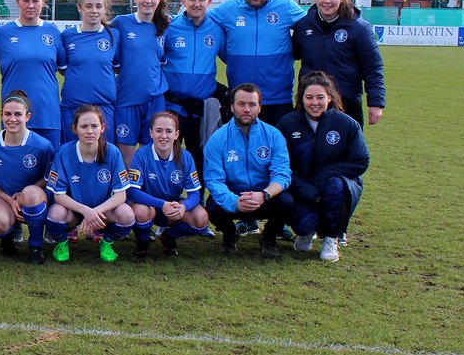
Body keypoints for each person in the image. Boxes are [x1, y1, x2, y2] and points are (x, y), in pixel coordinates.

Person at [276, 72, 369, 262]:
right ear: (301, 99)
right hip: (300, 188)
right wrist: (306, 189)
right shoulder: (287, 124)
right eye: (309, 97)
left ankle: (330, 238)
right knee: (304, 222)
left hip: (334, 186)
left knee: (336, 186)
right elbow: (279, 165)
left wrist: (321, 178)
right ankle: (306, 233)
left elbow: (360, 161)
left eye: (320, 97)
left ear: (330, 97)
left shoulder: (347, 124)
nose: (314, 103)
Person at [202, 84, 294, 258]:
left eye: (252, 104)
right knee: (212, 206)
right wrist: (235, 201)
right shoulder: (218, 139)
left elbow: (282, 174)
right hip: (235, 196)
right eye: (241, 104)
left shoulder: (274, 135)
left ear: (259, 108)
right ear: (231, 106)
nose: (246, 109)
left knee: (287, 202)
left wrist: (264, 194)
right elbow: (214, 180)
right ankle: (230, 234)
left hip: (264, 196)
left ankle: (268, 237)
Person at [209, 0, 306, 124]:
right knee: (240, 148)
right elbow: (202, 24)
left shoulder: (285, 7)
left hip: (278, 99)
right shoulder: (228, 9)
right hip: (241, 99)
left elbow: (312, 25)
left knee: (277, 147)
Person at [292, 0, 386, 127]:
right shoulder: (303, 26)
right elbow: (294, 54)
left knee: (347, 150)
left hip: (346, 104)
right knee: (307, 149)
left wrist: (376, 103)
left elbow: (373, 67)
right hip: (311, 103)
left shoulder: (359, 28)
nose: (327, 1)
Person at [45, 105, 135, 263]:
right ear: (74, 128)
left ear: (102, 128)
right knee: (54, 215)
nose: (89, 131)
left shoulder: (112, 152)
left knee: (127, 215)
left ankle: (106, 242)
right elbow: (58, 195)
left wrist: (94, 212)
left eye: (94, 126)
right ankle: (62, 242)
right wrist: (86, 212)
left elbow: (121, 194)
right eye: (84, 126)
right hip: (72, 211)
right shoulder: (64, 152)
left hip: (102, 213)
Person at [0, 91, 55, 264]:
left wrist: (21, 196)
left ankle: (35, 247)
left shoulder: (43, 146)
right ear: (1, 115)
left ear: (27, 116)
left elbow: (48, 178)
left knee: (30, 194)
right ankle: (7, 238)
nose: (12, 119)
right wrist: (10, 199)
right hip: (2, 196)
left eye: (18, 114)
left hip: (32, 197)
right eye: (7, 114)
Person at [126, 111, 213, 258]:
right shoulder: (141, 154)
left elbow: (195, 194)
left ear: (177, 134)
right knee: (141, 211)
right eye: (159, 131)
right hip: (148, 206)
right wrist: (162, 204)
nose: (164, 136)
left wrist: (183, 207)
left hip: (172, 207)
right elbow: (133, 192)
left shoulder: (185, 157)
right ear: (151, 133)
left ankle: (169, 237)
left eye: (169, 131)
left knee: (201, 218)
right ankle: (142, 242)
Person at [0, 0, 65, 146]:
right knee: (15, 165)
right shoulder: (2, 33)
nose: (31, 5)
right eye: (26, 0)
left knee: (49, 167)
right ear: (18, 2)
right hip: (14, 115)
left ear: (43, 2)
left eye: (35, 0)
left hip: (48, 114)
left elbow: (65, 69)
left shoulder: (53, 32)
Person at [162, 0, 226, 170]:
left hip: (200, 109)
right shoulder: (170, 27)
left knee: (200, 158)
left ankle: (199, 199)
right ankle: (166, 197)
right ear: (183, 1)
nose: (197, 4)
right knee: (166, 155)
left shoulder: (217, 29)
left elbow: (231, 58)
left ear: (209, 2)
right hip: (171, 106)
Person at [112, 0, 171, 168]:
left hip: (155, 99)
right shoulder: (121, 23)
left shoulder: (166, 25)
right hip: (127, 99)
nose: (148, 0)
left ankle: (145, 194)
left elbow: (161, 59)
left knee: (150, 152)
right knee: (126, 155)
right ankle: (125, 196)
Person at [59, 0, 119, 144]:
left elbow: (117, 66)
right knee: (71, 154)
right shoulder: (67, 36)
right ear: (80, 7)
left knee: (104, 156)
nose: (94, 10)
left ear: (104, 8)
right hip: (72, 107)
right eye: (89, 6)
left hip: (103, 107)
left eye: (99, 6)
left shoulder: (114, 35)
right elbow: (63, 69)